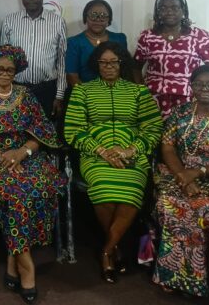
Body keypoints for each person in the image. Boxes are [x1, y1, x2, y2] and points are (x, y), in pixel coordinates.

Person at [0, 45, 66, 304]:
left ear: (16, 71)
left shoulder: (26, 95)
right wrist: (1, 156)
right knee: (17, 193)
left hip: (26, 156)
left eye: (9, 69)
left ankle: (13, 256)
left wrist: (21, 152)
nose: (4, 73)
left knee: (41, 186)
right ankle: (26, 264)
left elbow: (43, 129)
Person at [64, 41, 162, 283]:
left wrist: (130, 150)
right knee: (103, 189)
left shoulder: (138, 92)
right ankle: (115, 247)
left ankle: (107, 249)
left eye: (113, 62)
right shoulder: (82, 91)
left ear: (121, 63)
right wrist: (102, 151)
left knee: (132, 190)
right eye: (103, 62)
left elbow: (153, 128)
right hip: (95, 155)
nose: (108, 66)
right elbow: (73, 129)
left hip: (132, 154)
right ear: (96, 64)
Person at [152, 65, 209, 296]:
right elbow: (167, 147)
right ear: (191, 86)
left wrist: (198, 173)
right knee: (168, 203)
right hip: (177, 172)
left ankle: (192, 278)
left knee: (200, 207)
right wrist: (183, 176)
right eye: (199, 84)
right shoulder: (180, 112)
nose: (205, 89)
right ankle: (172, 274)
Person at [134, 0, 209, 117]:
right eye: (163, 8)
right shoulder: (147, 36)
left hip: (189, 98)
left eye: (174, 8)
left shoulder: (199, 36)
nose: (169, 12)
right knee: (155, 130)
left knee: (184, 130)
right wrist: (142, 92)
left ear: (183, 10)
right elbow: (135, 68)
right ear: (157, 12)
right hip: (153, 99)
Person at [0, 0, 67, 119]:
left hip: (47, 90)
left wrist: (59, 95)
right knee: (16, 129)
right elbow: (3, 60)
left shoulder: (57, 22)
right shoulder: (9, 21)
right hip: (16, 89)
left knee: (45, 130)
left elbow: (62, 61)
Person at [66, 0, 127, 88]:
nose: (98, 19)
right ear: (85, 17)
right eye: (93, 15)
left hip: (115, 91)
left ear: (109, 19)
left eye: (103, 16)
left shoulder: (119, 39)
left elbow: (125, 69)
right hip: (85, 92)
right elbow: (72, 75)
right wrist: (86, 94)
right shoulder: (74, 42)